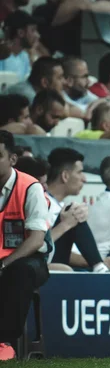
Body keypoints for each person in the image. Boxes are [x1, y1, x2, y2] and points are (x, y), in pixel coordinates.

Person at [0, 130, 52, 349]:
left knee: (19, 272)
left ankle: (5, 343)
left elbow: (36, 240)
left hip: (28, 259)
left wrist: (3, 264)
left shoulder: (30, 188)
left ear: (12, 159)